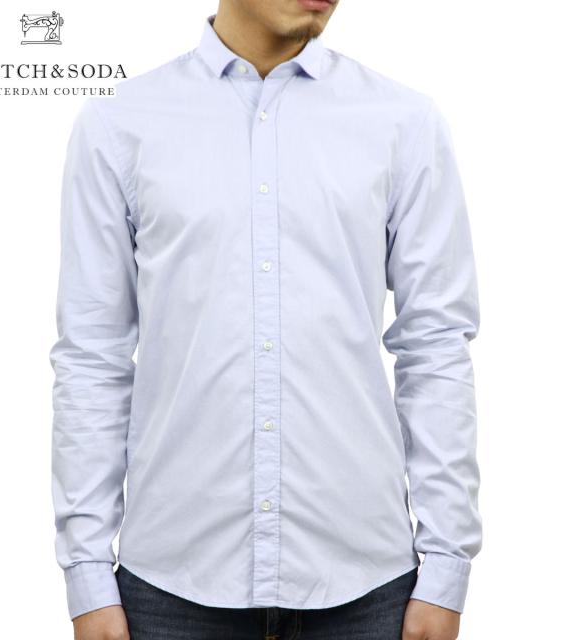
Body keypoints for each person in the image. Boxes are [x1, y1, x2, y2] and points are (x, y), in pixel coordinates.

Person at [49, 1, 482, 638]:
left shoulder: (404, 122)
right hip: (170, 587)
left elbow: (436, 346)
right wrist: (86, 574)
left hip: (367, 586)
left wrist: (447, 567)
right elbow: (93, 356)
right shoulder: (119, 123)